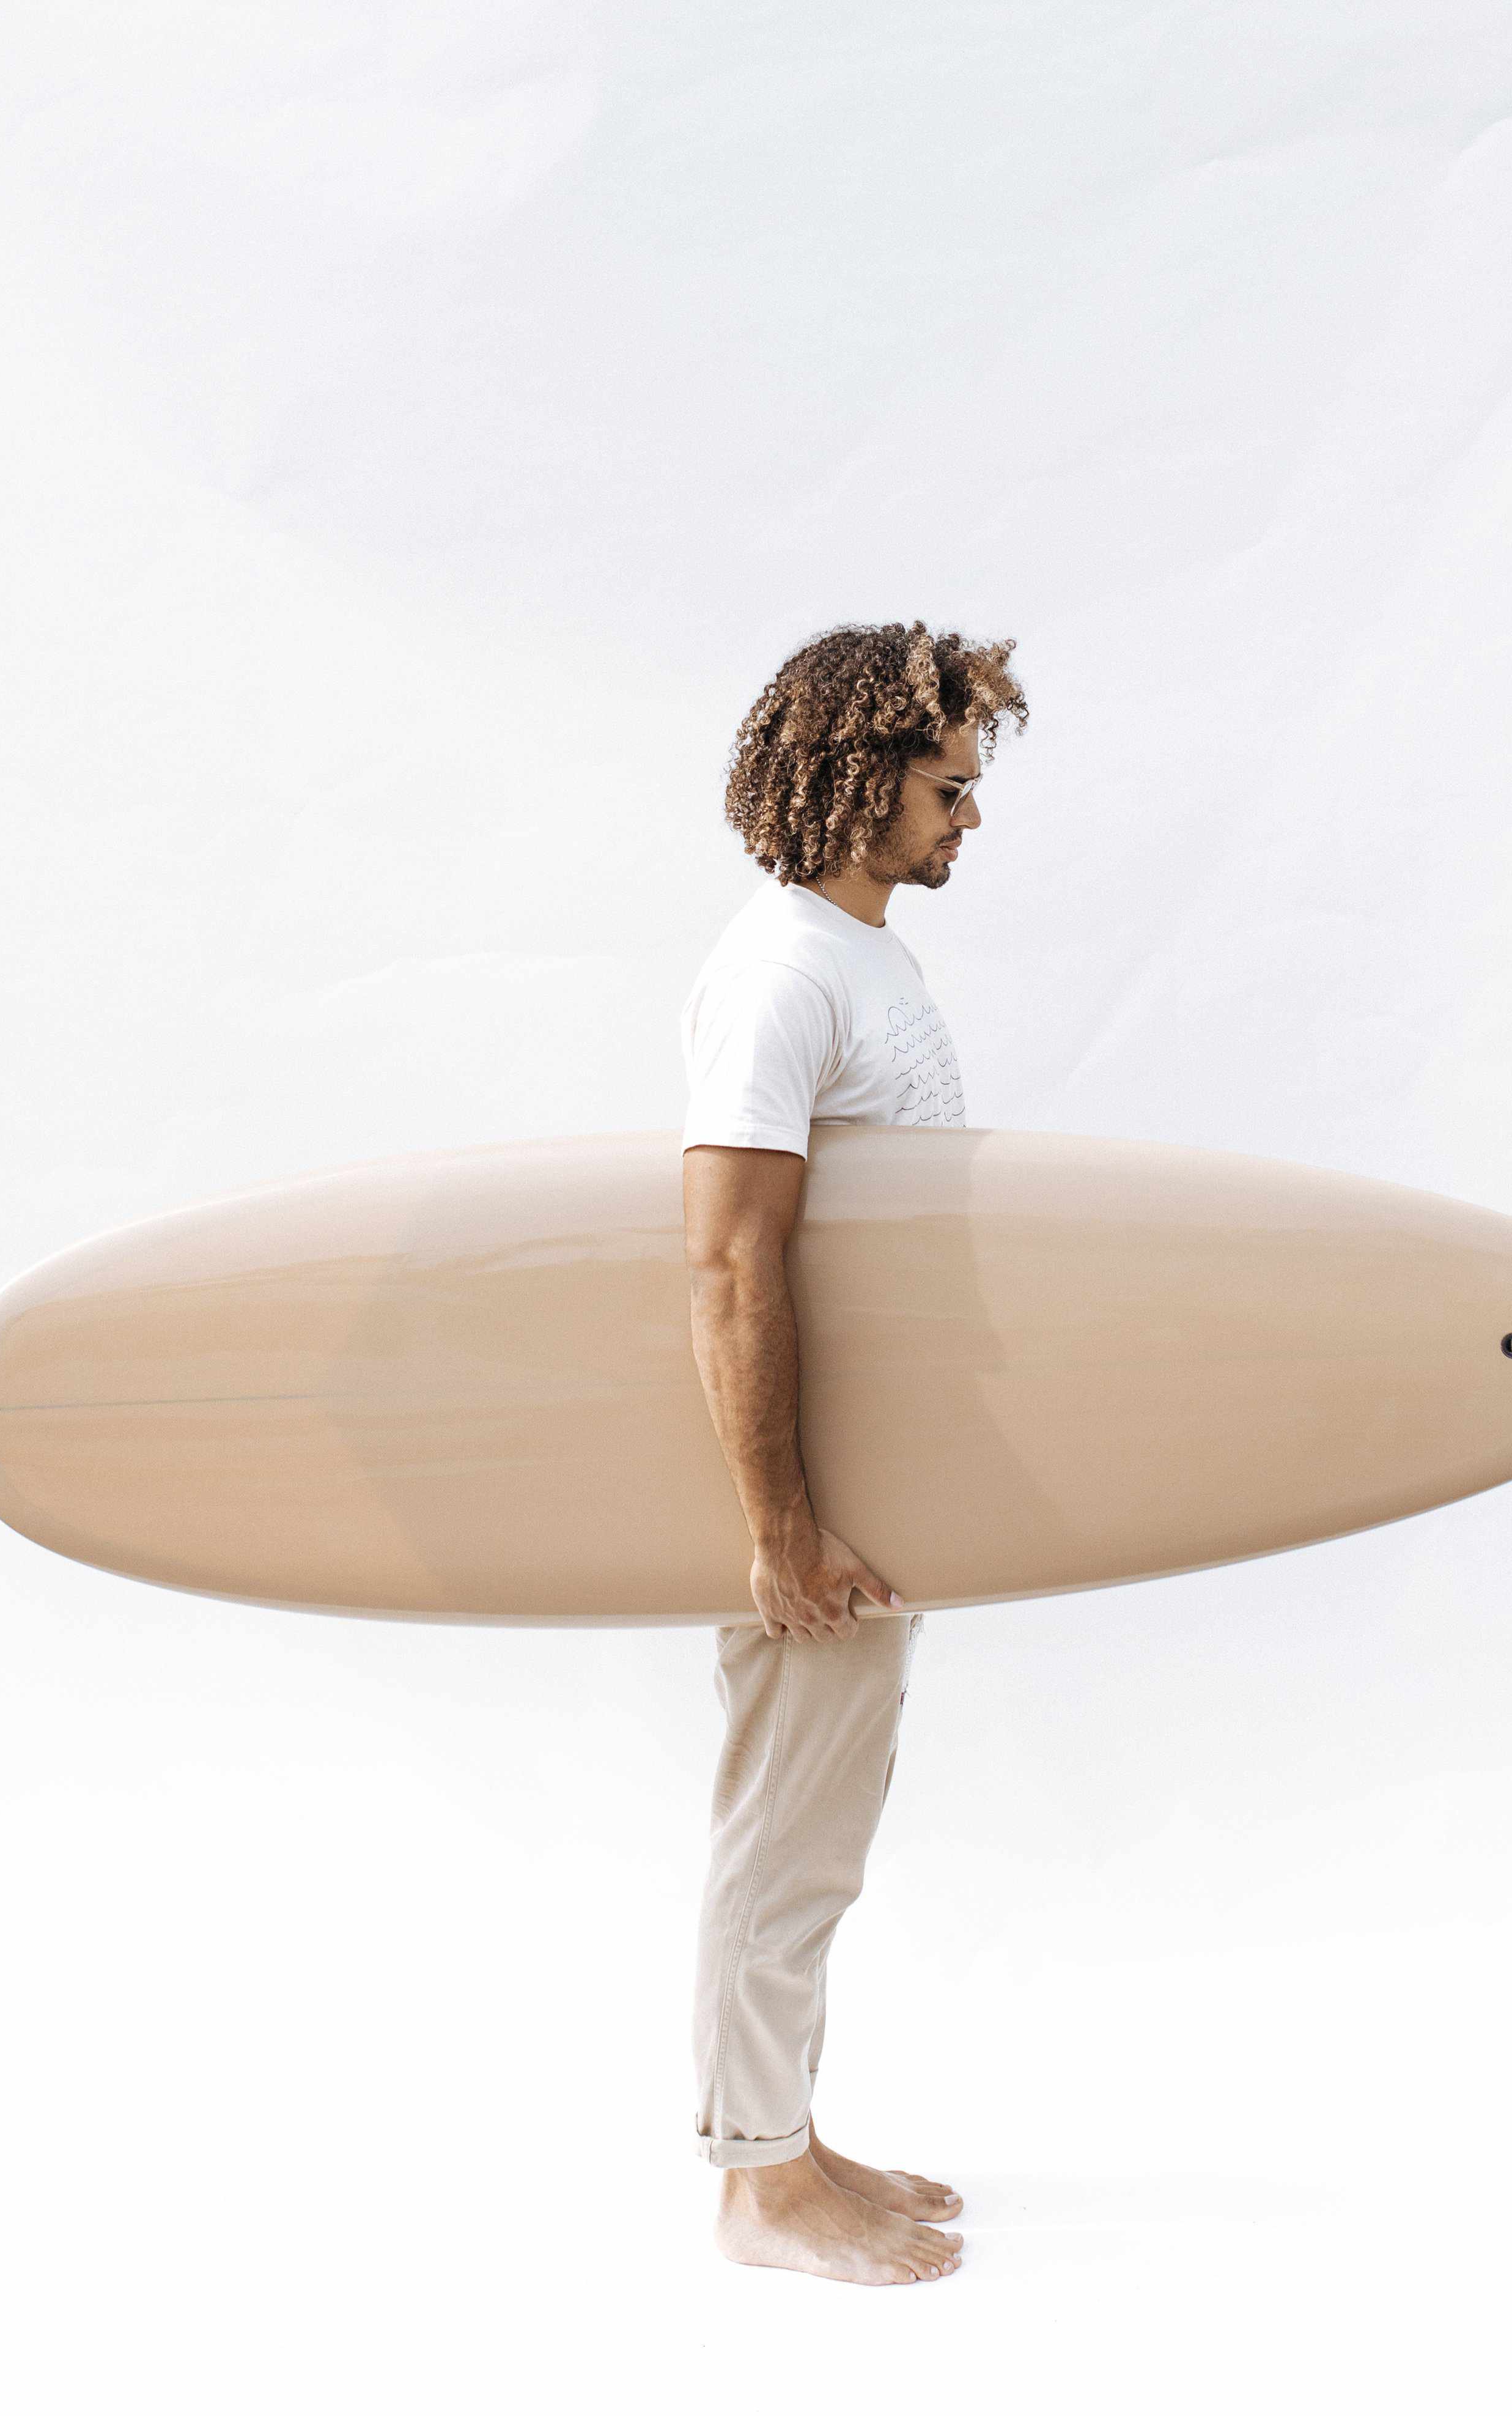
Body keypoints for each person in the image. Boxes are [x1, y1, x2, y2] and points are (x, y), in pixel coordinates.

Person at [678, 620, 1028, 2286]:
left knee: (826, 1822)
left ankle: (789, 2139)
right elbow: (730, 1264)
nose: (971, 815)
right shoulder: (782, 976)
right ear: (861, 777)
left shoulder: (860, 955)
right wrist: (782, 1526)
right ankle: (757, 2191)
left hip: (868, 1480)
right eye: (947, 787)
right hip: (806, 1500)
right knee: (786, 1828)